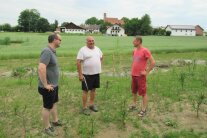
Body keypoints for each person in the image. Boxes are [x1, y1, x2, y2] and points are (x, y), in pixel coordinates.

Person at [38, 33, 63, 136]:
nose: (61, 41)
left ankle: (55, 121)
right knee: (47, 107)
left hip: (54, 85)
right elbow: (41, 67)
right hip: (48, 87)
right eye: (60, 40)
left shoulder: (53, 51)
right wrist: (45, 84)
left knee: (54, 103)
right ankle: (46, 127)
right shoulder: (47, 51)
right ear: (55, 40)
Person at [77, 36, 103, 115]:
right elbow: (78, 62)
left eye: (92, 41)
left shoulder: (97, 49)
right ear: (86, 42)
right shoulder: (82, 50)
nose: (91, 42)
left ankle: (91, 104)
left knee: (93, 90)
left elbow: (101, 57)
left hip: (96, 73)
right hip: (86, 74)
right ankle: (84, 108)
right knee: (85, 91)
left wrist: (98, 65)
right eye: (89, 41)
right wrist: (80, 75)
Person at [130, 36, 155, 117]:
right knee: (134, 91)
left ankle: (144, 110)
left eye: (134, 41)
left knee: (143, 93)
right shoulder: (134, 51)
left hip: (140, 76)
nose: (133, 42)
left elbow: (153, 62)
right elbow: (134, 62)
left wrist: (147, 72)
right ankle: (134, 105)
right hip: (134, 75)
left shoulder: (145, 51)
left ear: (138, 41)